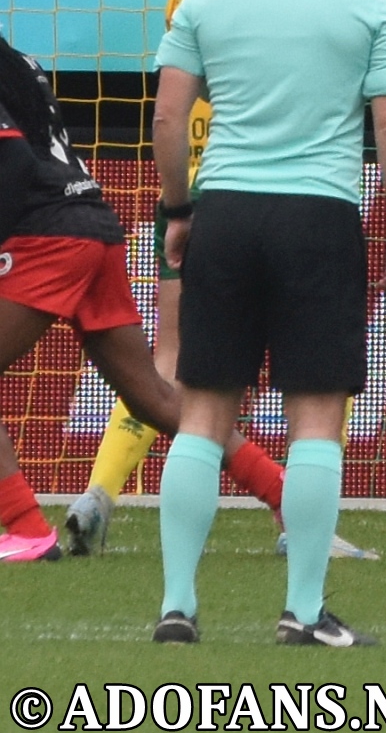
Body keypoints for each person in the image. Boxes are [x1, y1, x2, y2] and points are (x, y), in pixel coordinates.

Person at [65, 0, 375, 563]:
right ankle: (304, 519)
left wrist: (177, 203)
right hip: (292, 196)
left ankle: (101, 494)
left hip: (201, 200)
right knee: (320, 380)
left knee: (174, 368)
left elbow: (172, 107)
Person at [150, 0, 386, 645]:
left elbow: (167, 116)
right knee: (315, 420)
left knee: (202, 412)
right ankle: (302, 613)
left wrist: (177, 210)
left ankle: (176, 605)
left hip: (227, 208)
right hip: (318, 214)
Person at [0, 35, 284, 563]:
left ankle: (25, 527)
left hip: (45, 236)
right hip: (92, 225)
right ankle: (285, 494)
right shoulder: (20, 58)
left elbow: (13, 158)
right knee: (152, 397)